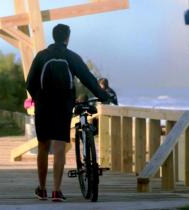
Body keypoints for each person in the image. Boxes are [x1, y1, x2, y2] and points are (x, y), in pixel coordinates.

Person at [26, 24, 110, 202]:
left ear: (53, 36)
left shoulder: (41, 56)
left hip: (43, 106)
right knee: (59, 147)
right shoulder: (70, 56)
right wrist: (103, 96)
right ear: (67, 38)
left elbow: (30, 83)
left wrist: (39, 99)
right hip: (63, 106)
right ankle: (57, 191)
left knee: (43, 146)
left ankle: (42, 189)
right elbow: (88, 79)